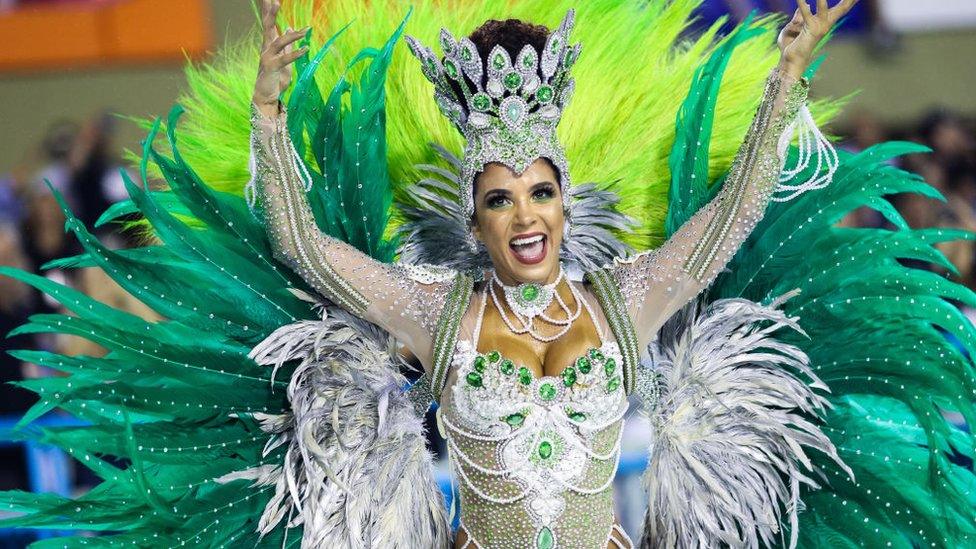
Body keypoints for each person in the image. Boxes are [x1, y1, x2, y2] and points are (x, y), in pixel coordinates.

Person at [2, 1, 974, 548]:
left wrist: (780, 85)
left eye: (540, 193)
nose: (526, 217)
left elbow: (729, 219)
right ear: (474, 217)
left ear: (563, 200)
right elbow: (305, 249)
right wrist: (265, 118)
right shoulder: (436, 311)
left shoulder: (626, 299)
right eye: (501, 198)